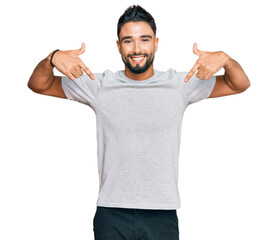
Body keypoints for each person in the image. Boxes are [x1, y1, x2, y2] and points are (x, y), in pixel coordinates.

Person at [27, 4, 250, 240]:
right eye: (128, 41)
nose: (137, 48)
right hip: (111, 212)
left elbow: (239, 84)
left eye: (144, 40)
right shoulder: (99, 85)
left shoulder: (179, 84)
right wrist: (51, 58)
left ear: (156, 43)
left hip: (161, 214)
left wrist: (226, 59)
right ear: (118, 46)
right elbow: (39, 84)